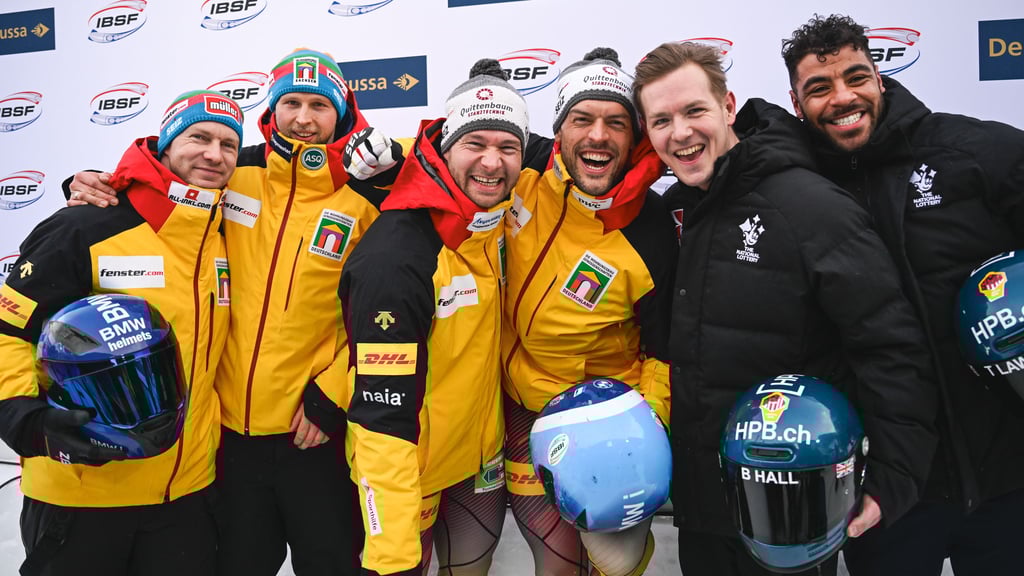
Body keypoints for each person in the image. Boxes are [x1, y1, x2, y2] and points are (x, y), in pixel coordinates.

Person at [65, 48, 401, 576]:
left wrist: (333, 392)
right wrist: (92, 182)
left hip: (313, 430)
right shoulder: (230, 173)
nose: (304, 119)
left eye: (320, 105)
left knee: (333, 563)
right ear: (271, 109)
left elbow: (389, 314)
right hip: (225, 438)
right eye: (291, 102)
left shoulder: (369, 194)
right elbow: (154, 184)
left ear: (343, 114)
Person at [632, 41, 938, 576]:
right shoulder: (678, 208)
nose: (679, 133)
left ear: (728, 108)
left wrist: (893, 475)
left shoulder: (810, 205)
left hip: (789, 514)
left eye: (694, 111)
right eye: (661, 120)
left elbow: (890, 345)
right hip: (703, 509)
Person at [782, 14, 1024, 576]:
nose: (843, 97)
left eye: (856, 77)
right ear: (797, 104)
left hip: (1008, 476)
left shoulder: (974, 149)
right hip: (888, 489)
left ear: (880, 79)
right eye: (819, 88)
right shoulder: (798, 190)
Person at [0, 89, 243, 575]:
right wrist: (26, 421)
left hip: (185, 495)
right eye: (199, 137)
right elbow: (9, 328)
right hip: (82, 493)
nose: (214, 155)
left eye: (229, 145)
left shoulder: (226, 232)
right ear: (166, 142)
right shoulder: (86, 225)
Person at [338, 59, 529, 576]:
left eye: (508, 147)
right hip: (410, 474)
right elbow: (382, 420)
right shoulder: (399, 257)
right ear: (445, 149)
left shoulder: (495, 220)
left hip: (477, 464)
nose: (492, 162)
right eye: (475, 145)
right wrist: (393, 551)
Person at [501, 48, 675, 576]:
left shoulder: (651, 226)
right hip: (518, 407)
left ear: (635, 136)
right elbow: (453, 153)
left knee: (612, 568)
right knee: (552, 562)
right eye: (582, 118)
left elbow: (665, 346)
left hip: (604, 424)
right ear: (560, 130)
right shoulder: (522, 171)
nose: (598, 135)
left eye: (615, 122)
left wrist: (647, 433)